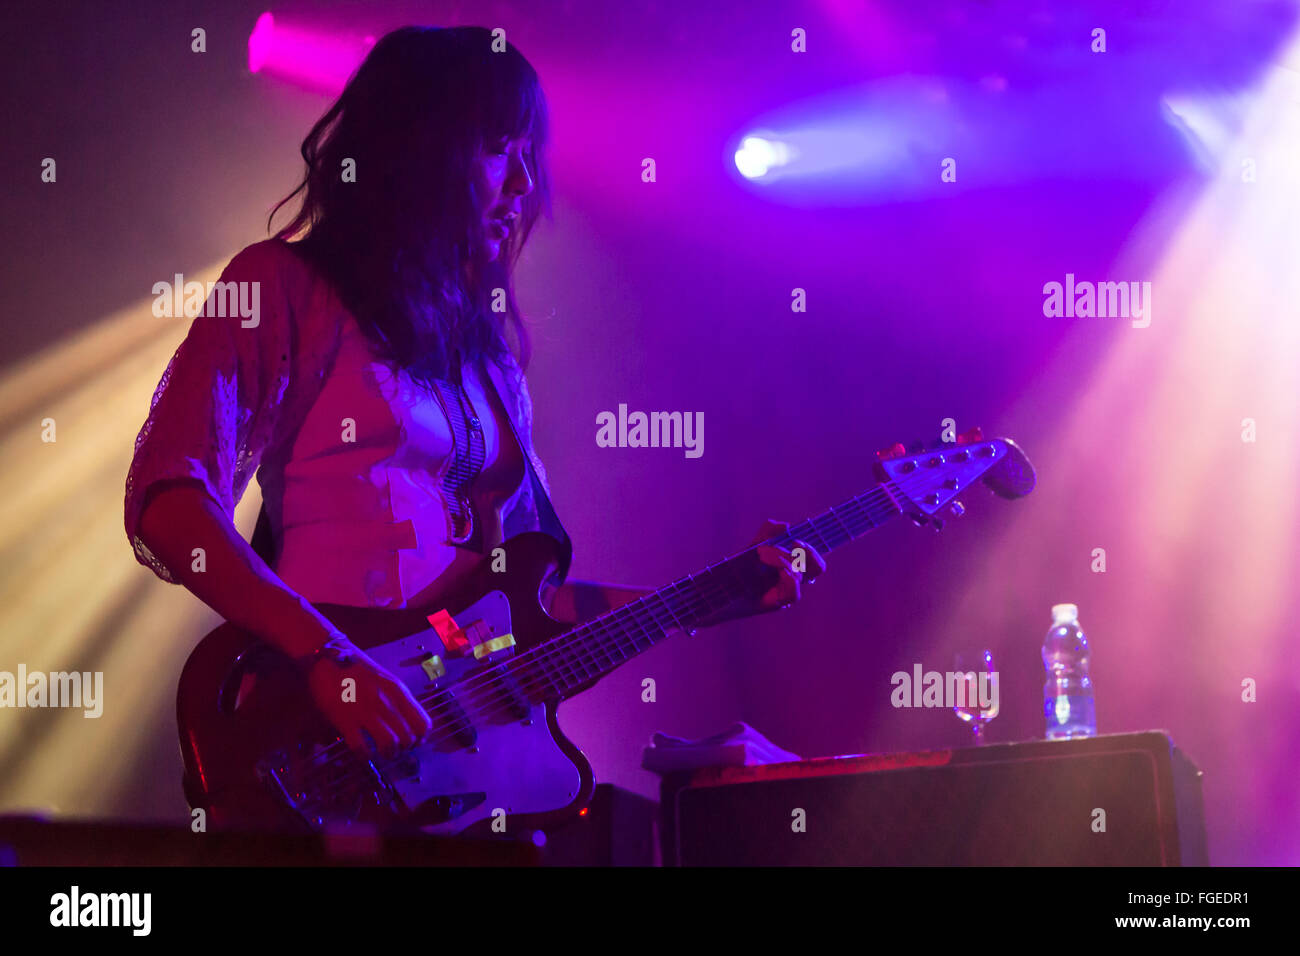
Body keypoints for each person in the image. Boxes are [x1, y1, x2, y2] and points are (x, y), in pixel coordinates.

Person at [124, 25, 824, 767]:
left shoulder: (491, 362)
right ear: (417, 151)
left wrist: (714, 598)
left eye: (529, 156)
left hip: (454, 763)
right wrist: (326, 658)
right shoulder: (283, 285)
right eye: (499, 149)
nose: (524, 187)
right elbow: (168, 499)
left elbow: (536, 605)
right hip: (315, 740)